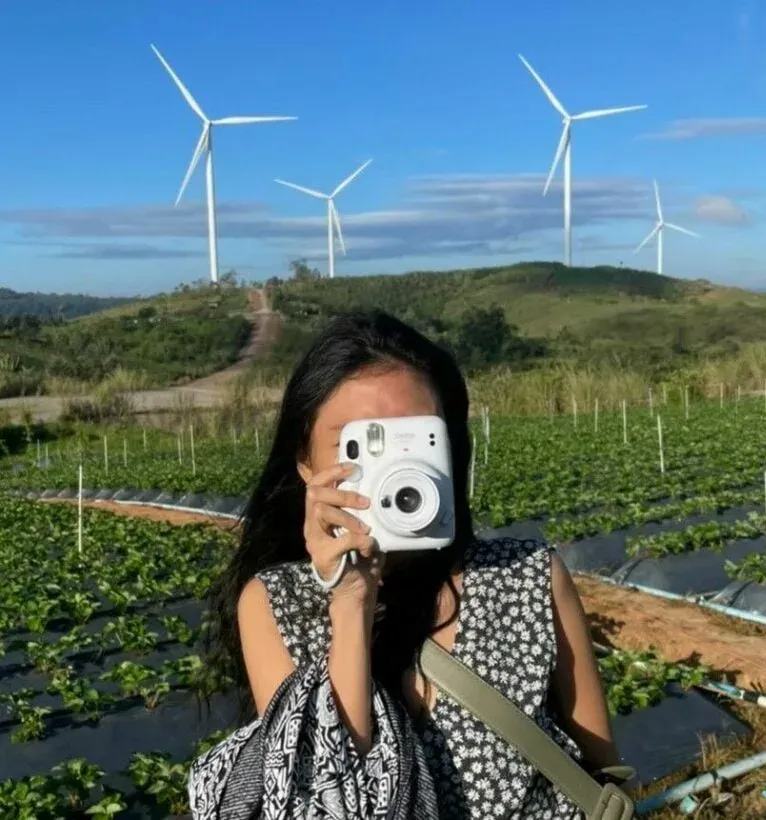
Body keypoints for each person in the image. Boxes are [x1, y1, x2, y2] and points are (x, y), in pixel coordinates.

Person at [190, 310, 620, 819]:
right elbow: (336, 802)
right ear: (305, 463)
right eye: (364, 446)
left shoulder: (528, 577)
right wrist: (351, 600)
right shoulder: (274, 604)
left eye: (414, 441)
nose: (397, 472)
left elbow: (602, 778)